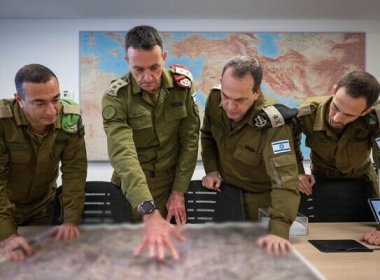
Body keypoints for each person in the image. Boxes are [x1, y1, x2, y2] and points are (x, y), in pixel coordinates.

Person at [102, 25, 200, 260]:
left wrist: (178, 190)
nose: (148, 78)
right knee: (130, 255)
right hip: (132, 188)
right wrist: (147, 208)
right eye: (138, 69)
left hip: (170, 186)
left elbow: (189, 139)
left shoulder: (182, 87)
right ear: (127, 60)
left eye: (155, 67)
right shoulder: (116, 97)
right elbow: (123, 154)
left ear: (164, 57)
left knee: (170, 255)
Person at [201, 55, 300, 256]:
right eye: (226, 96)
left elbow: (285, 180)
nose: (230, 106)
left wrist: (279, 232)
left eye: (240, 100)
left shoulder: (274, 123)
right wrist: (211, 169)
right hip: (227, 195)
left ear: (256, 93)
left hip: (261, 202)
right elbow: (207, 135)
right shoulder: (214, 98)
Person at [0, 64, 87, 261]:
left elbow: (75, 172)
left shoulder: (70, 119)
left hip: (43, 206)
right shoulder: (3, 122)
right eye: (40, 103)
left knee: (38, 262)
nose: (51, 110)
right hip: (4, 207)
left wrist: (70, 221)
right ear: (19, 99)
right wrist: (7, 234)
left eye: (55, 99)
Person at [295, 70, 380, 245]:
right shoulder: (307, 112)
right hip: (320, 182)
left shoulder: (376, 119)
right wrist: (297, 171)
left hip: (362, 180)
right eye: (336, 107)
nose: (336, 118)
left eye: (349, 115)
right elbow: (288, 143)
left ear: (365, 111)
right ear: (334, 91)